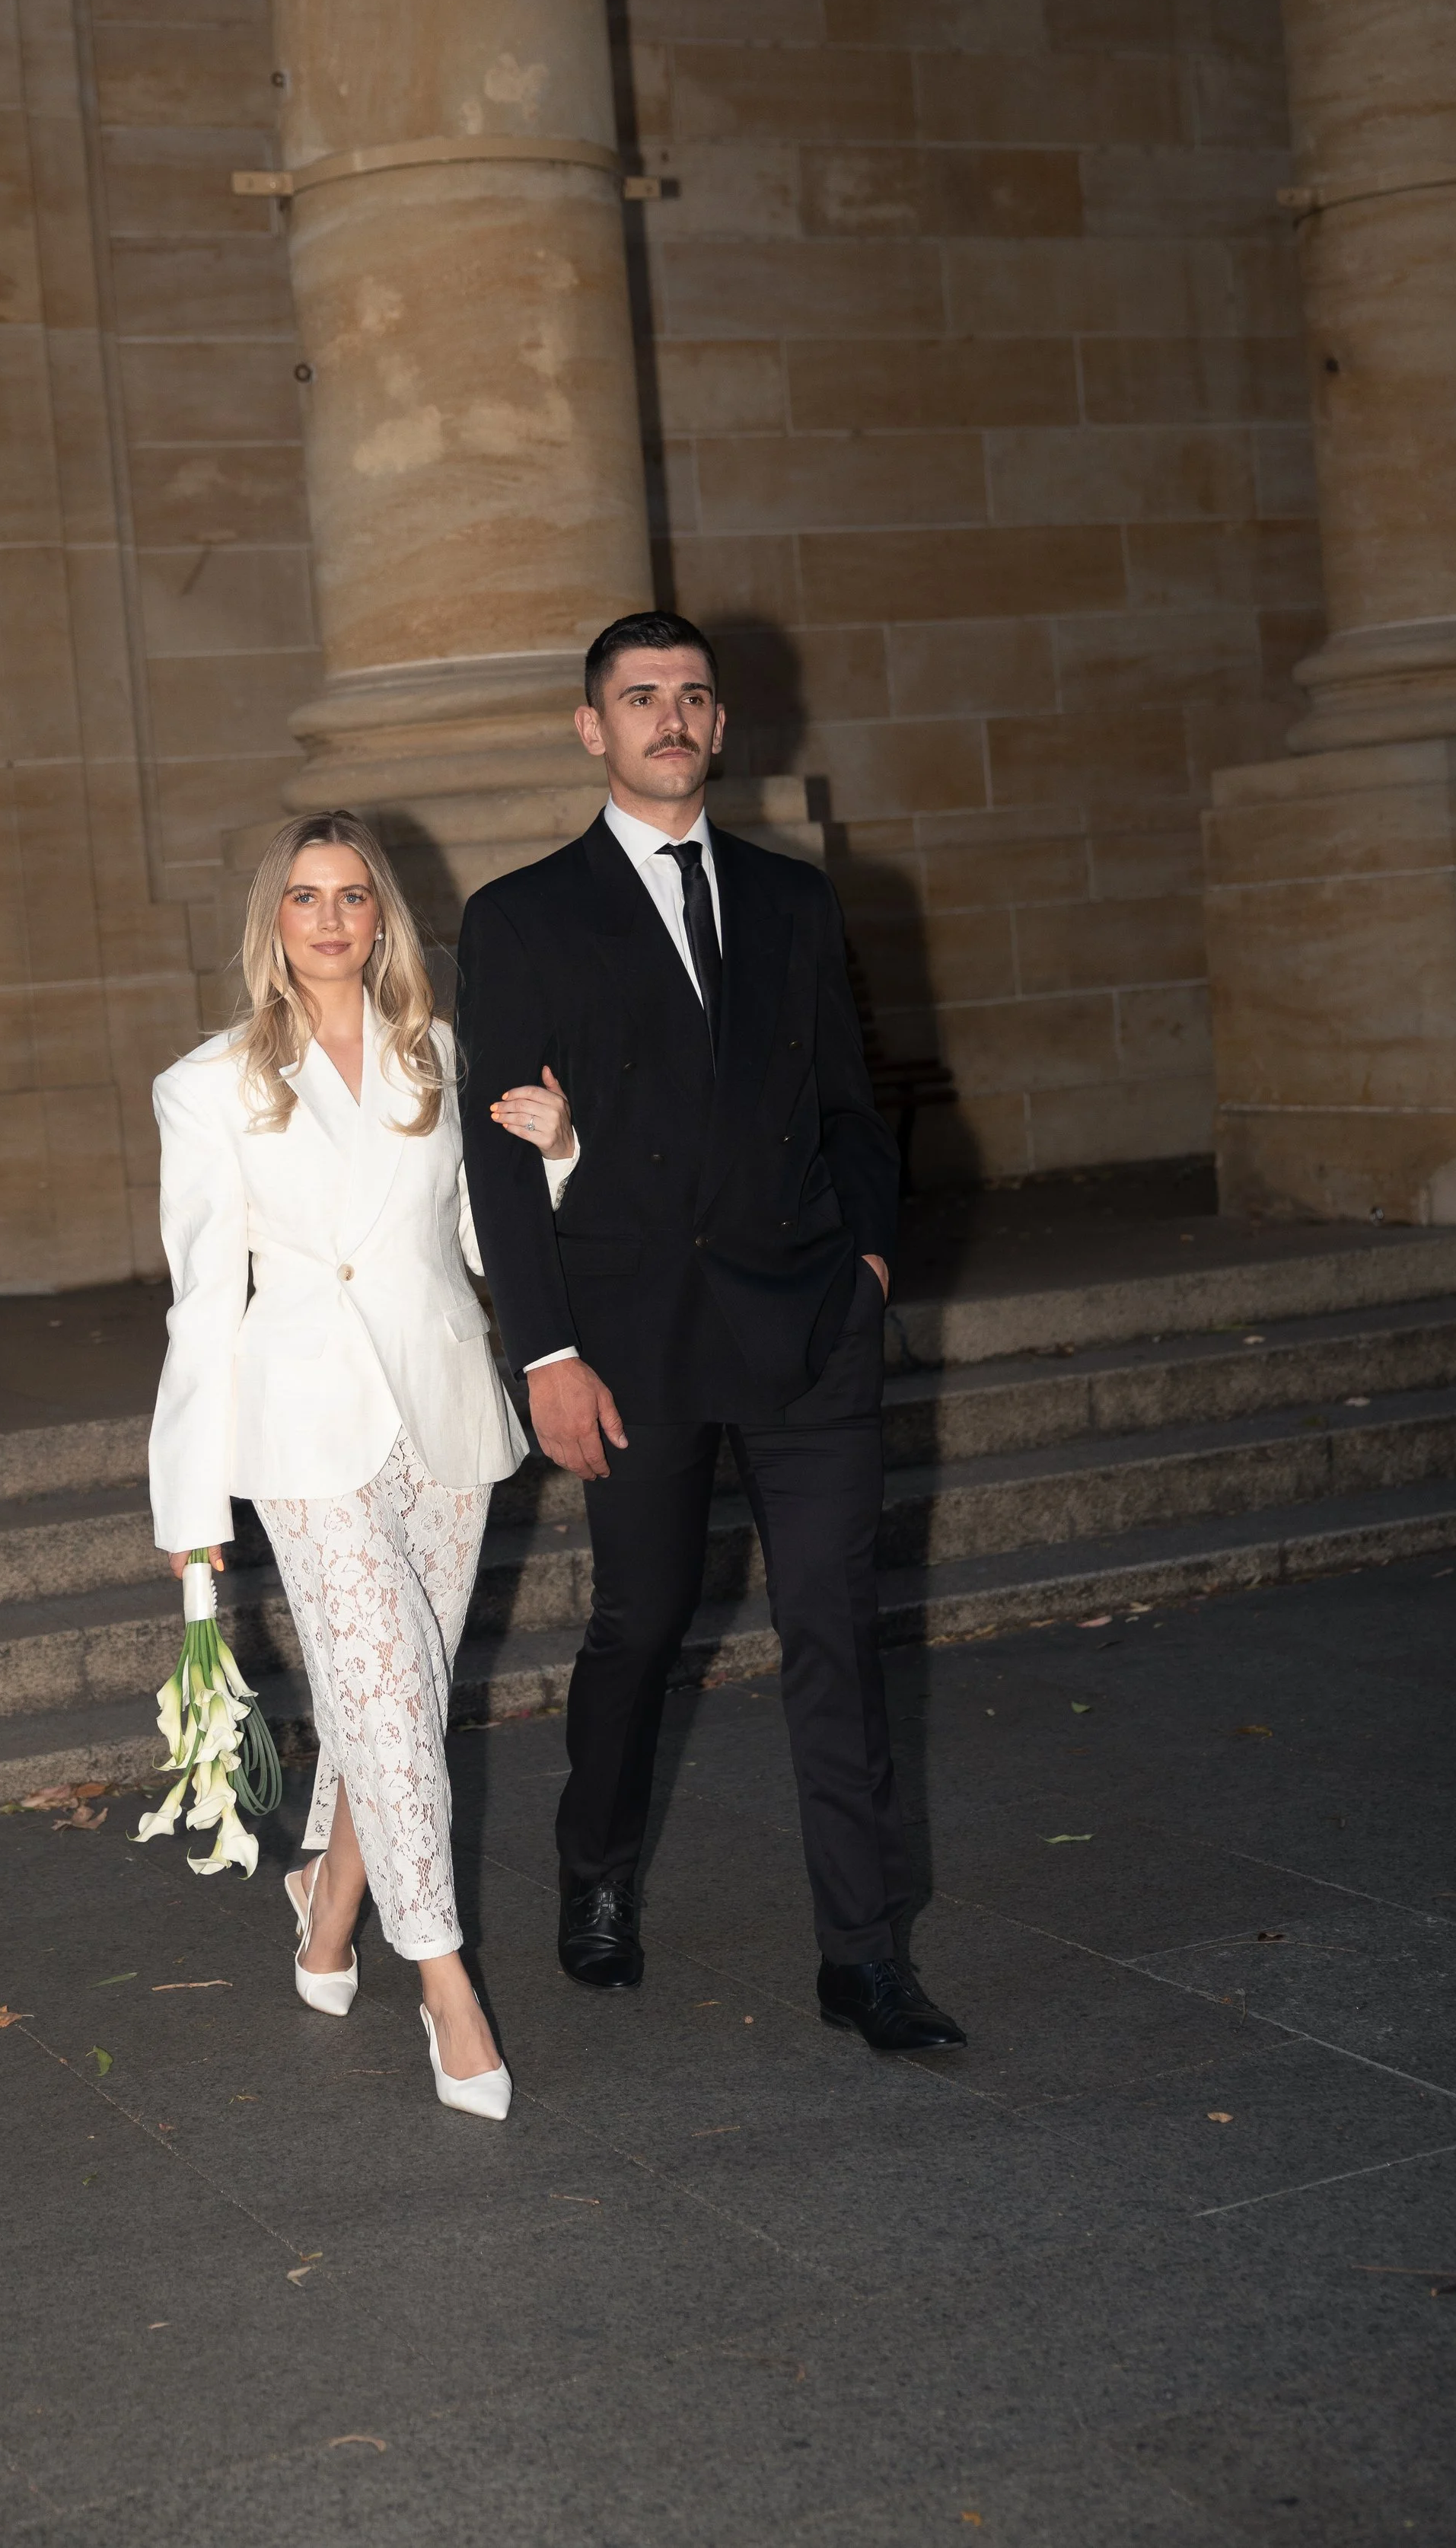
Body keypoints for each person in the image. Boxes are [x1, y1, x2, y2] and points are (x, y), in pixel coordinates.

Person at [456, 611, 964, 2053]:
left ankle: (863, 1954)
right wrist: (544, 1353)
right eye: (639, 698)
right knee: (641, 1623)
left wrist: (866, 1261)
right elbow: (502, 1158)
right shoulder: (523, 914)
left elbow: (860, 1114)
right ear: (592, 728)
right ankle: (597, 1871)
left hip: (809, 1322)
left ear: (722, 726)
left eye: (691, 697)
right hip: (631, 1340)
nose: (669, 718)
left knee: (833, 1636)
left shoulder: (796, 902)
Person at [148, 810, 574, 2121]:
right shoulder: (207, 1083)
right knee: (387, 1697)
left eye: (352, 897)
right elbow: (201, 1297)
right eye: (304, 897)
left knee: (396, 1695)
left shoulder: (442, 1056)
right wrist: (187, 1499)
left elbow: (493, 1240)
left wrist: (557, 1152)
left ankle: (328, 1905)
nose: (330, 919)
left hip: (443, 1418)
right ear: (271, 921)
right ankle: (445, 1983)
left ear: (382, 916)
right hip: (304, 1434)